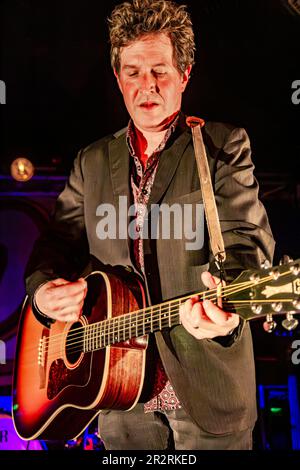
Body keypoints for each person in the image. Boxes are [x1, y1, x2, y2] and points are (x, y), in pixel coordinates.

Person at [25, 0, 275, 450]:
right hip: (119, 398)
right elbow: (57, 240)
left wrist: (227, 312)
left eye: (160, 70)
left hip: (208, 393)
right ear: (118, 78)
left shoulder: (222, 145)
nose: (147, 85)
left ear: (185, 74)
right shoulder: (92, 160)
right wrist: (42, 290)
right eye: (133, 72)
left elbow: (248, 241)